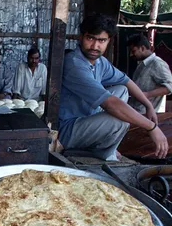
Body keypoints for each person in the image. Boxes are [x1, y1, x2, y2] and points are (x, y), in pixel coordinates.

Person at [59, 14, 168, 161]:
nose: (95, 46)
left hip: (87, 120)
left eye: (101, 40)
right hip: (67, 131)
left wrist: (148, 105)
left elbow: (126, 80)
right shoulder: (74, 64)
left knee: (121, 89)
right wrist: (151, 127)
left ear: (108, 41)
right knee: (120, 119)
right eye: (90, 38)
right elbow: (110, 104)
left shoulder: (100, 62)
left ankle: (107, 147)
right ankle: (103, 152)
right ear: (81, 37)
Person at [127, 33, 172, 113]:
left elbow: (169, 87)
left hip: (146, 114)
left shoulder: (157, 63)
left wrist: (147, 94)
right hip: (135, 111)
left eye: (133, 51)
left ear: (142, 48)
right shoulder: (142, 64)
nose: (131, 54)